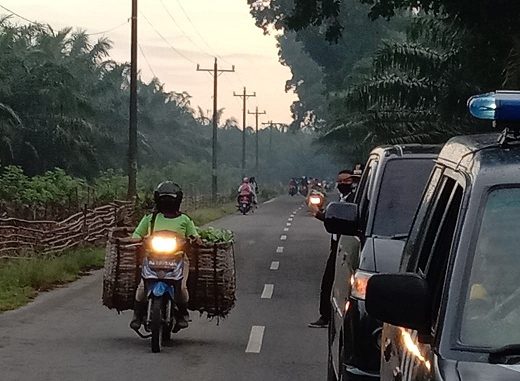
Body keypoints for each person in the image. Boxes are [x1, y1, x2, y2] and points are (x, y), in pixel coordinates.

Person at [130, 181, 200, 332]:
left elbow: (194, 235)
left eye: (170, 199)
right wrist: (137, 239)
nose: (167, 202)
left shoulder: (185, 220)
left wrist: (195, 239)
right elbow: (137, 234)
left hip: (179, 258)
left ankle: (182, 314)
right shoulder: (150, 218)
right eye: (164, 199)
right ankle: (137, 315)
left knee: (182, 287)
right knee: (142, 287)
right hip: (152, 257)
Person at [309, 169, 361, 328]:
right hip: (337, 245)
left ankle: (339, 318)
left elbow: (339, 219)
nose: (343, 184)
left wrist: (318, 214)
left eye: (347, 181)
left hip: (349, 245)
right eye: (340, 181)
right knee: (328, 282)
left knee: (344, 285)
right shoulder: (340, 198)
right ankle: (325, 316)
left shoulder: (355, 200)